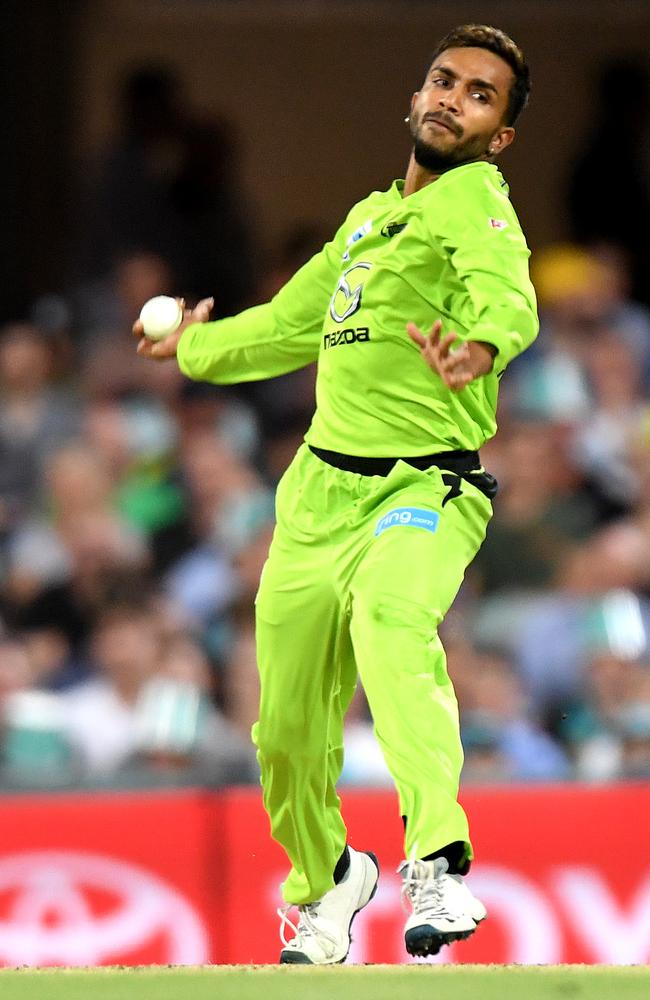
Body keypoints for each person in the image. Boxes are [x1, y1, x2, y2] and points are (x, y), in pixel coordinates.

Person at [134, 24, 537, 965]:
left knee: (391, 617)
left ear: (500, 135)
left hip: (423, 484)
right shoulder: (367, 219)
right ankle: (326, 882)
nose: (452, 99)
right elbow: (283, 328)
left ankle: (436, 860)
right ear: (416, 93)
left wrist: (480, 347)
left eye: (480, 95)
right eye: (443, 81)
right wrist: (189, 346)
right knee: (284, 731)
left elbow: (507, 295)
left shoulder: (479, 200)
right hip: (318, 493)